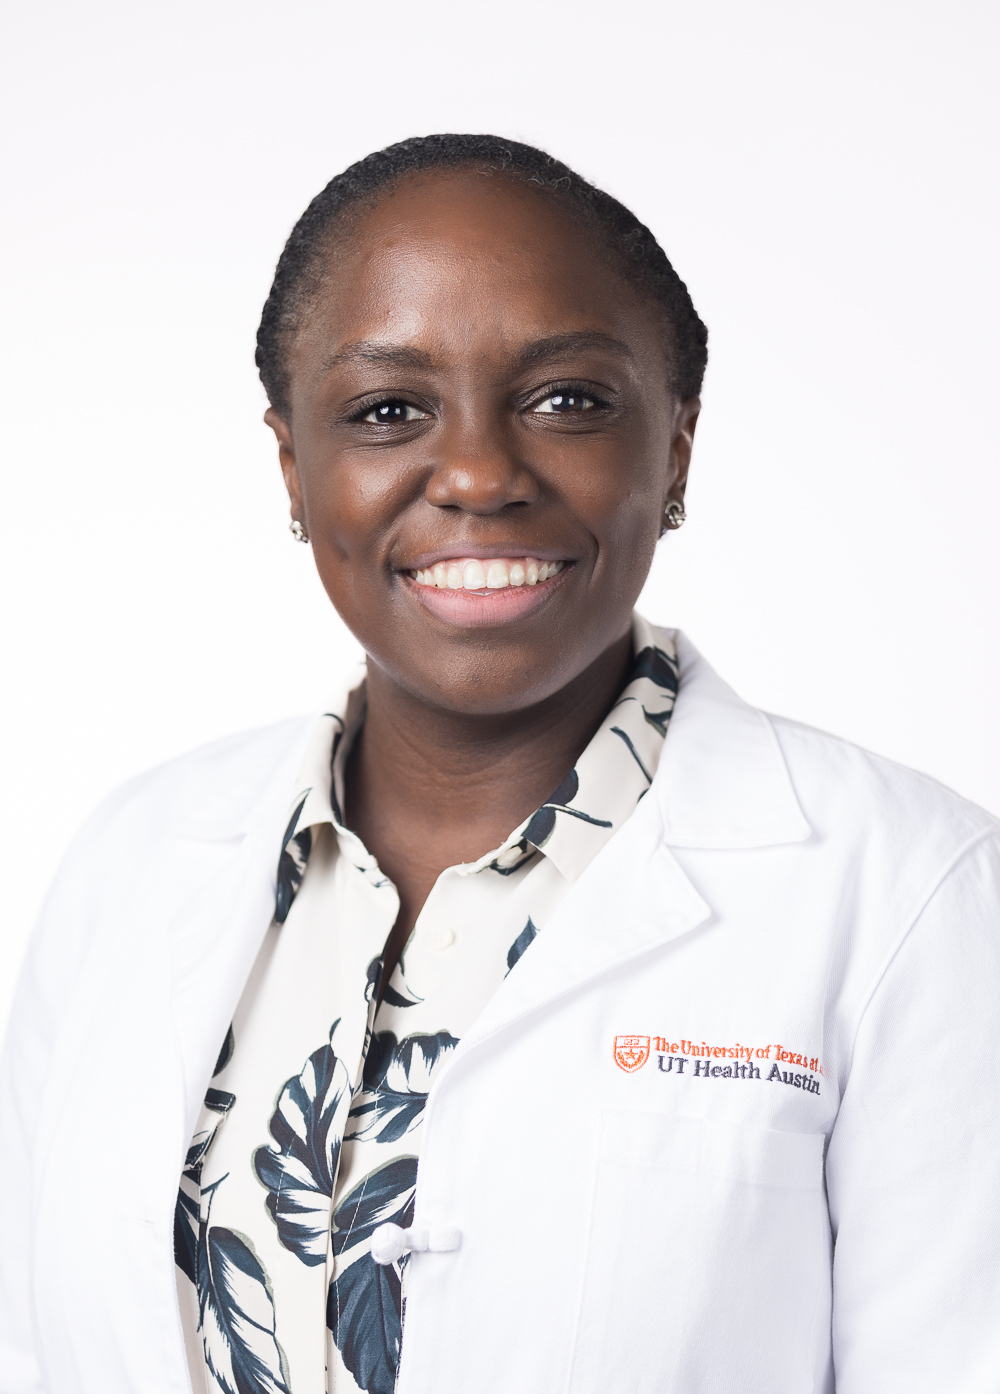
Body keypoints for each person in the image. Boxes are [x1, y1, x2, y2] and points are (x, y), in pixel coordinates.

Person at [1, 133, 998, 1394]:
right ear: (292, 465)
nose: (477, 472)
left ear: (675, 447)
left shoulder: (913, 892)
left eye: (566, 398)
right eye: (386, 410)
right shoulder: (132, 861)